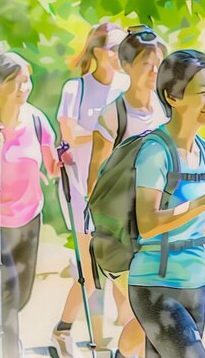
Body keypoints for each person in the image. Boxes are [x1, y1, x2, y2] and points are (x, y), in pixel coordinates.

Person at [129, 50, 205, 357]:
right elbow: (149, 224)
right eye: (201, 93)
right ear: (173, 98)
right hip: (155, 286)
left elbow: (194, 218)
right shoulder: (155, 151)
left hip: (196, 283)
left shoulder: (204, 151)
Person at [0, 51, 66, 357]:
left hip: (28, 220)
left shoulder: (36, 120)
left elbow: (51, 166)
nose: (24, 87)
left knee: (21, 293)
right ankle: (8, 348)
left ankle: (8, 332)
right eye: (16, 82)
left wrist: (63, 161)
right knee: (8, 286)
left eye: (26, 81)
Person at [88, 25, 168, 358]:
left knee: (156, 311)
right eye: (147, 64)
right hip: (122, 236)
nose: (154, 72)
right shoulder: (112, 116)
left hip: (158, 229)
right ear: (127, 66)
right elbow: (95, 183)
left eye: (159, 64)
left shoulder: (166, 111)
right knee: (151, 311)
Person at [53, 22, 130, 356]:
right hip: (82, 189)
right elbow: (69, 135)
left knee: (124, 266)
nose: (120, 55)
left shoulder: (129, 86)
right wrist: (106, 131)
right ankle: (96, 341)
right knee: (93, 269)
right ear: (98, 52)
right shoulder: (76, 89)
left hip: (122, 190)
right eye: (114, 48)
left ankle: (125, 340)